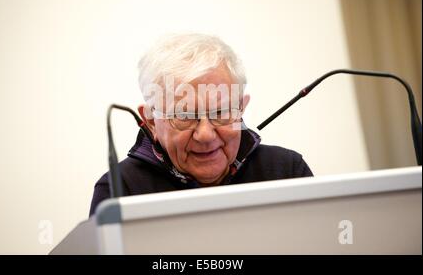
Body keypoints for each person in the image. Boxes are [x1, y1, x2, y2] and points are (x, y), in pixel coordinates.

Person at [89, 33, 313, 216]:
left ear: (241, 108)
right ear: (151, 122)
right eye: (185, 116)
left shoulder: (286, 171)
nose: (205, 135)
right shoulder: (120, 190)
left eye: (221, 112)